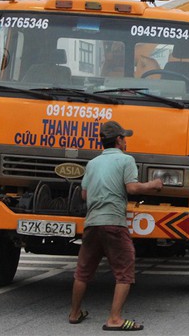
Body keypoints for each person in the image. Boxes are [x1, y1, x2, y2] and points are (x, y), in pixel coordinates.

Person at [69, 121, 163, 331]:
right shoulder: (126, 160)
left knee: (83, 271)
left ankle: (75, 314)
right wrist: (153, 185)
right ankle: (115, 319)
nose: (126, 141)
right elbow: (132, 187)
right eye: (125, 138)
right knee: (124, 270)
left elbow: (84, 194)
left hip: (92, 223)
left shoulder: (92, 163)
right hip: (113, 222)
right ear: (119, 140)